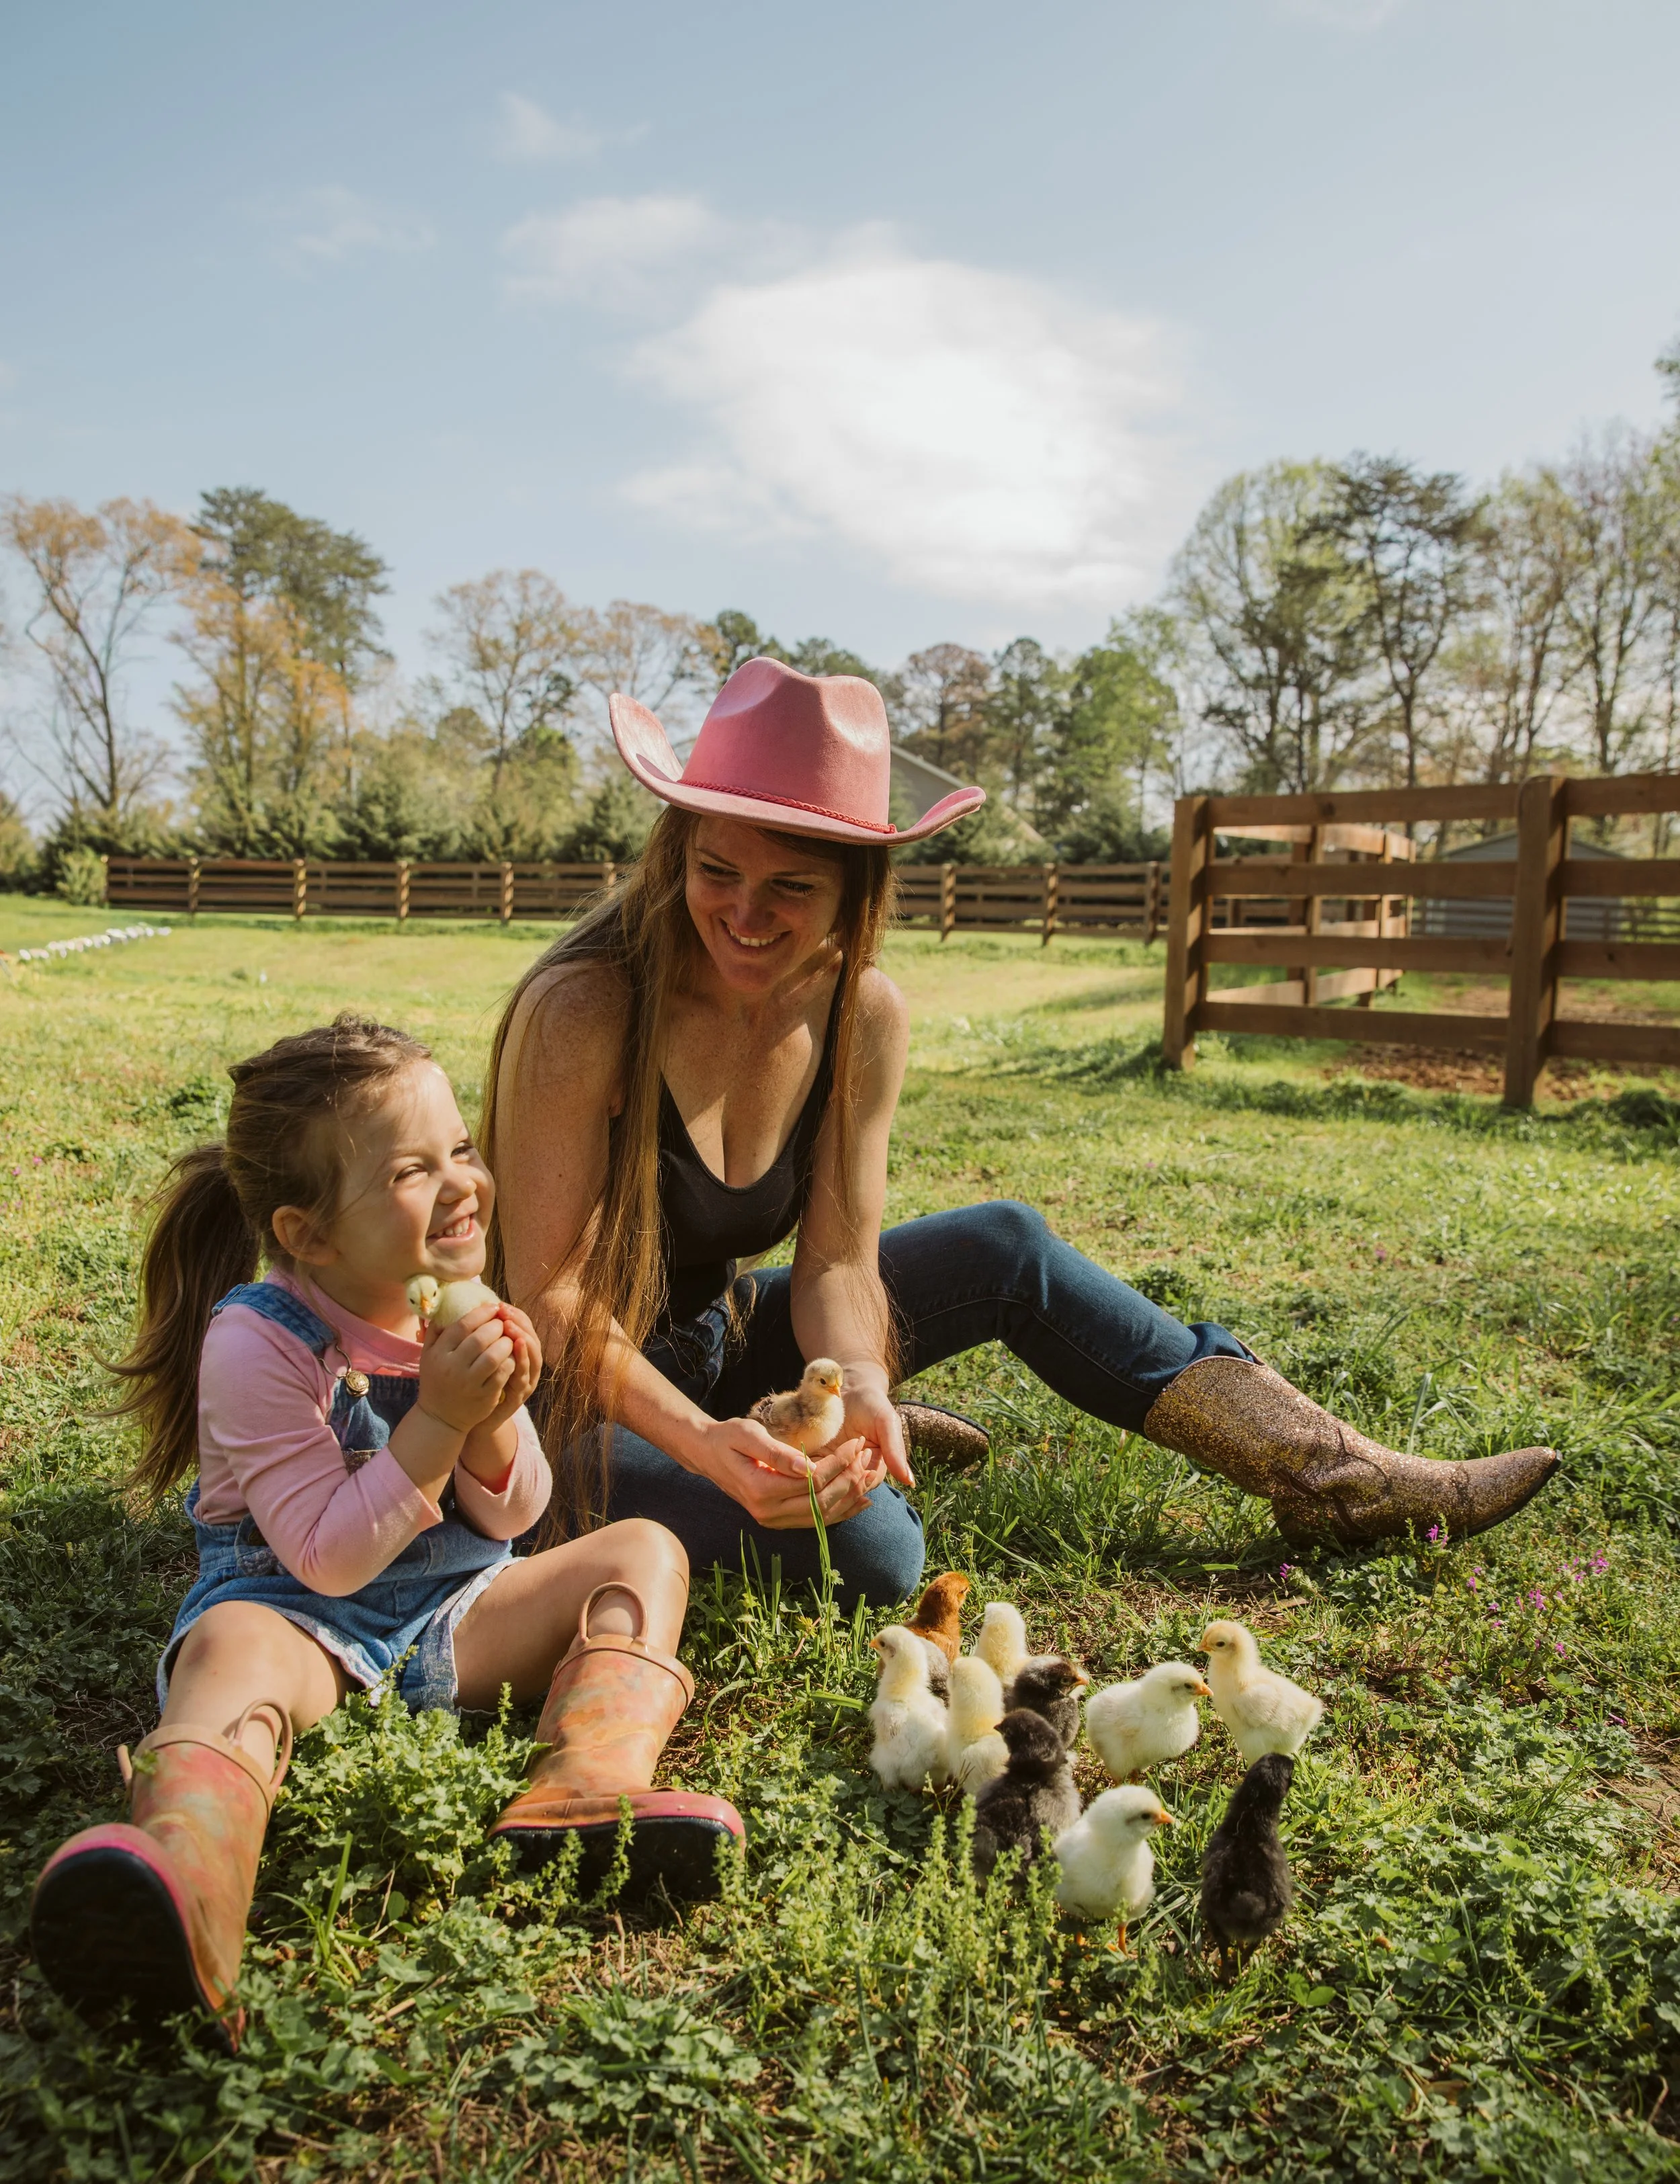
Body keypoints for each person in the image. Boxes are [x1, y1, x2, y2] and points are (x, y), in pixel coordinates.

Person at [481, 657, 1560, 1605]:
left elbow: (841, 1260)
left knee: (1006, 1243)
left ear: (859, 889)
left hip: (719, 1345)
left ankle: (1337, 1478)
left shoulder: (860, 1012)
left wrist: (854, 1375)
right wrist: (715, 1451)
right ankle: (778, 1437)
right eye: (718, 871)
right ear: (678, 850)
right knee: (871, 1552)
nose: (747, 913)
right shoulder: (590, 1009)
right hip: (576, 1407)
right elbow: (556, 1304)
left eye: (791, 886)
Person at [30, 1017, 741, 2051]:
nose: (461, 1182)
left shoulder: (463, 1301)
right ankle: (187, 1872)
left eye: (461, 1148)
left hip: (456, 1611)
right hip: (299, 1615)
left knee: (644, 1551)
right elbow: (322, 1555)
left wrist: (496, 1416)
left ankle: (588, 1784)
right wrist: (440, 1420)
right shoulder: (258, 1340)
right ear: (310, 1234)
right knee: (230, 1655)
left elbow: (516, 1515)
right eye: (413, 1168)